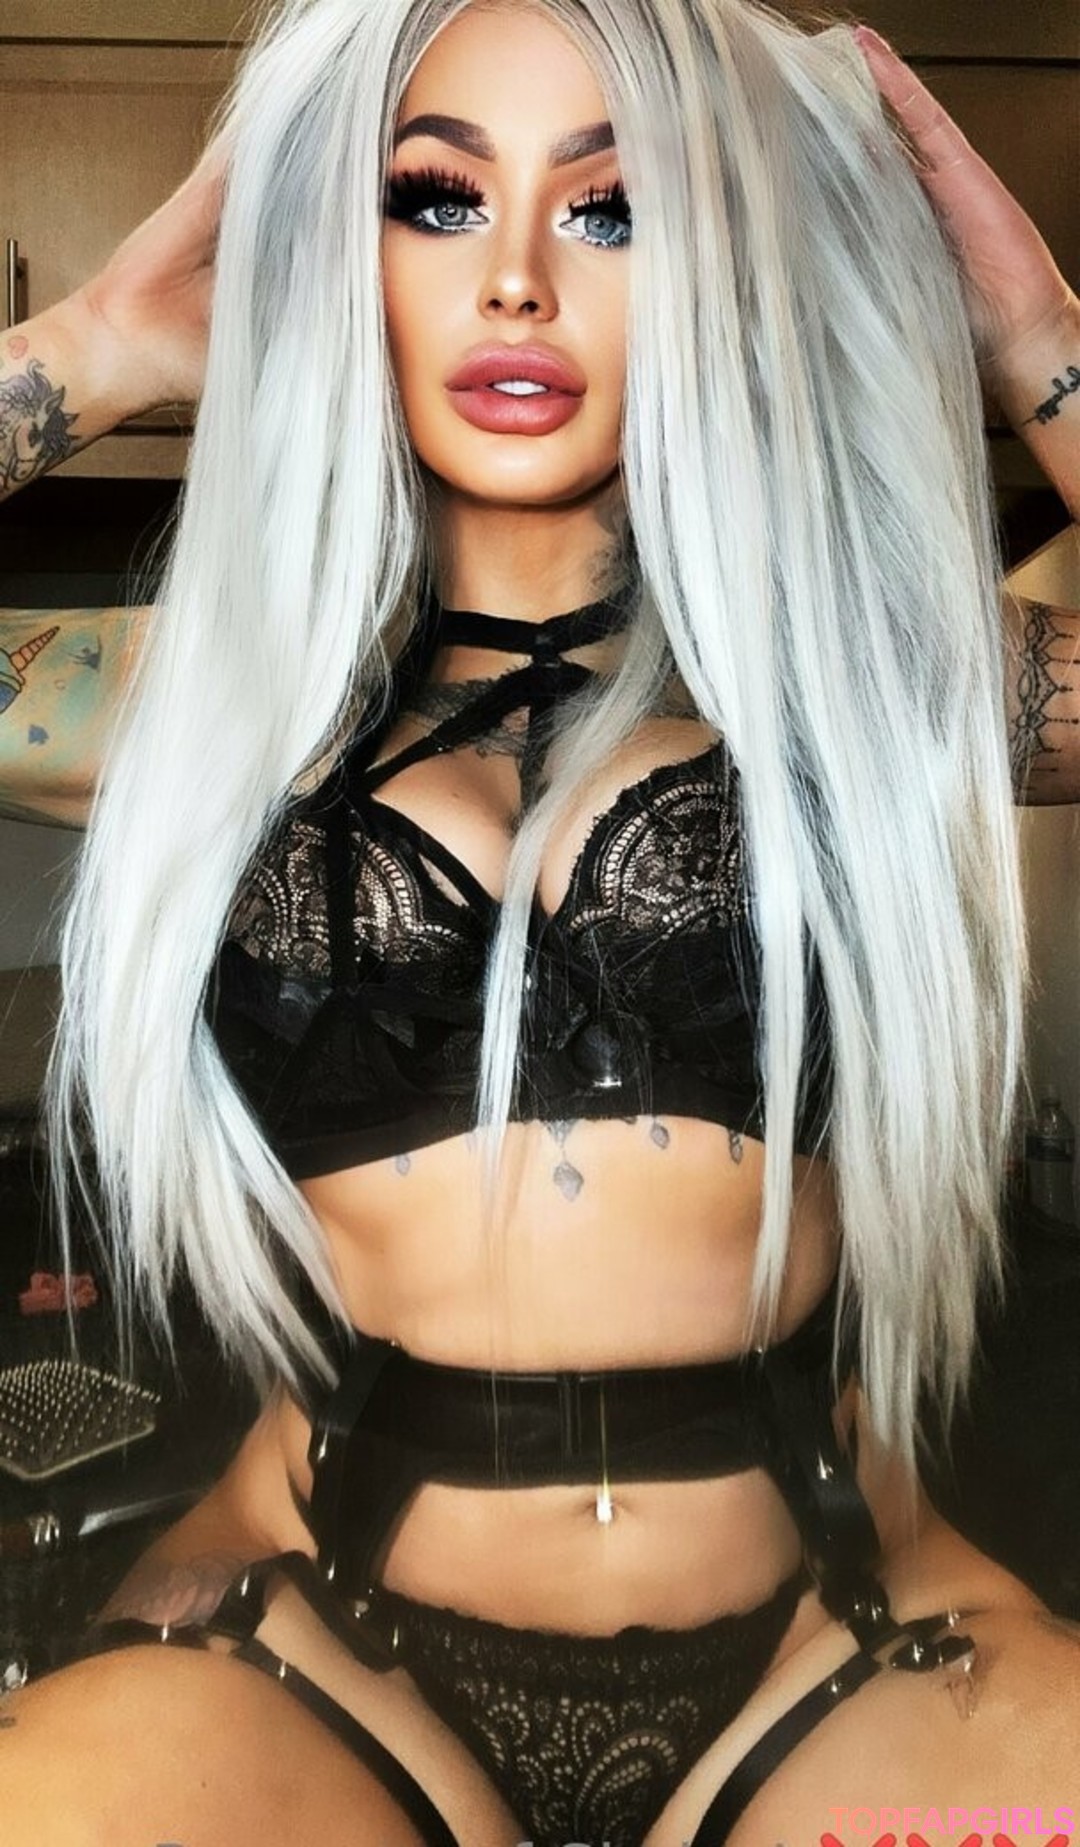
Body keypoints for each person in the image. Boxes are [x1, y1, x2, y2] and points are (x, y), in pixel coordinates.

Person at [1, 1, 1079, 1841]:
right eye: (435, 200)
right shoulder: (209, 704)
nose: (514, 280)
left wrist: (1034, 334)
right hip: (313, 1645)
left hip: (837, 1633)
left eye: (613, 208)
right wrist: (97, 345)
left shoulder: (877, 688)